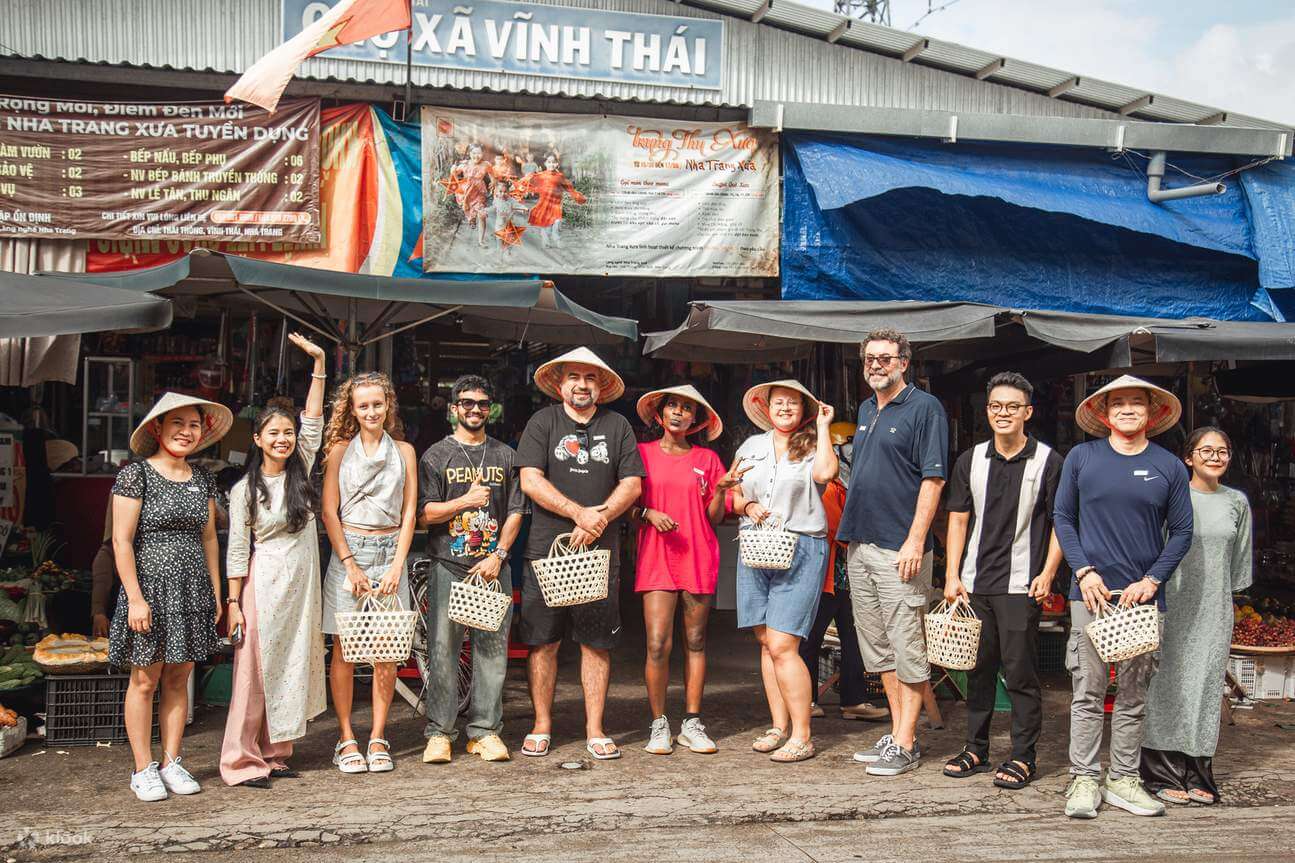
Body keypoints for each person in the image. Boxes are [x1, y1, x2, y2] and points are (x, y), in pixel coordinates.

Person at [1054, 374, 1193, 819]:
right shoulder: (1082, 457)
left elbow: (1183, 531)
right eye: (1119, 403)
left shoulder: (1169, 466)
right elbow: (1063, 517)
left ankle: (1124, 778)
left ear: (1151, 413)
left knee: (1133, 694)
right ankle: (1083, 779)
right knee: (1088, 691)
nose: (1128, 409)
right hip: (1090, 595)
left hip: (1144, 600)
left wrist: (1152, 580)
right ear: (1104, 412)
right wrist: (1084, 571)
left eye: (1137, 402)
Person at [515, 347, 645, 760]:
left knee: (596, 642)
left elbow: (632, 484)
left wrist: (598, 518)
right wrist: (576, 513)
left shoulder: (618, 425)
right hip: (547, 544)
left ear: (601, 386)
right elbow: (530, 479)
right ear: (560, 384)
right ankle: (541, 724)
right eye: (574, 377)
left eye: (590, 378)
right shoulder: (543, 422)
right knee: (543, 640)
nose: (582, 385)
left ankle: (595, 728)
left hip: (601, 546)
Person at [941, 372, 1064, 789]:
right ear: (987, 410)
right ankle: (975, 748)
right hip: (975, 582)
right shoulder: (970, 459)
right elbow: (957, 518)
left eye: (1013, 407)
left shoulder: (1048, 460)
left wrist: (1048, 573)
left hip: (1021, 585)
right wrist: (952, 574)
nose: (1003, 413)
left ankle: (1023, 757)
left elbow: (1060, 523)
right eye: (996, 406)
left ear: (1028, 412)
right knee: (977, 671)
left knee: (1020, 674)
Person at [109, 392, 233, 802]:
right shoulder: (135, 475)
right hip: (150, 589)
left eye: (194, 424)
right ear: (157, 428)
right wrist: (135, 598)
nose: (186, 431)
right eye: (177, 423)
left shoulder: (202, 478)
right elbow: (121, 542)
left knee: (180, 677)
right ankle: (142, 768)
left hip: (192, 588)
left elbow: (210, 537)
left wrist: (215, 591)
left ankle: (172, 761)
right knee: (145, 678)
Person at [838, 328, 948, 777]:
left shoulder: (925, 408)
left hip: (899, 548)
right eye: (870, 359)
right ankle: (897, 735)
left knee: (907, 646)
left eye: (886, 358)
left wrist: (916, 540)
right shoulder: (866, 409)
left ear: (904, 362)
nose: (877, 365)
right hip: (861, 543)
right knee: (879, 649)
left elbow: (933, 479)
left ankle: (906, 741)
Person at [220, 334, 328, 788]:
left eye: (287, 433)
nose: (283, 439)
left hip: (302, 586)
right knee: (253, 674)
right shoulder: (245, 489)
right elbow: (237, 549)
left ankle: (276, 751)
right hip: (262, 585)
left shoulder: (301, 466)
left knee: (290, 664)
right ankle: (240, 762)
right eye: (274, 434)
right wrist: (233, 602)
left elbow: (313, 421)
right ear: (259, 440)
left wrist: (320, 363)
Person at [728, 380, 838, 763]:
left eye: (793, 403)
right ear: (766, 406)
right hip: (756, 547)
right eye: (779, 402)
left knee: (783, 644)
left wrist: (824, 426)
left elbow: (826, 473)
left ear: (804, 409)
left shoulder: (811, 445)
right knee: (765, 641)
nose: (786, 408)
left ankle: (803, 734)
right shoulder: (750, 447)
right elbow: (734, 492)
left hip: (802, 547)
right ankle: (779, 726)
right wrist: (747, 508)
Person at [417, 375, 525, 764]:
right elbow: (426, 513)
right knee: (442, 650)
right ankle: (439, 733)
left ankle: (484, 732)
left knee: (493, 651)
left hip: (493, 566)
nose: (475, 409)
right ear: (454, 408)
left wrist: (499, 555)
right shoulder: (434, 456)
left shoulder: (507, 456)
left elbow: (516, 511)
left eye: (482, 403)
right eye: (467, 403)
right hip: (449, 564)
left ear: (491, 409)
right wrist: (464, 501)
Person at [1141, 427, 1252, 806]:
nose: (1215, 457)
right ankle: (1158, 771)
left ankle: (1199, 771)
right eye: (1206, 450)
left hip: (1214, 608)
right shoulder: (1173, 497)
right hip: (1169, 603)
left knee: (1205, 688)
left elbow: (1239, 566)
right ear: (1188, 458)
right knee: (1165, 684)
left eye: (1223, 451)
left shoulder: (1236, 502)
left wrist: (1223, 593)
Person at [320, 372, 419, 775]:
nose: (372, 411)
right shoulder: (340, 450)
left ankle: (378, 736)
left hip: (390, 550)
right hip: (351, 551)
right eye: (363, 405)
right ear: (352, 409)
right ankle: (346, 737)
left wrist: (398, 564)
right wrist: (349, 564)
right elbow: (329, 510)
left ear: (388, 405)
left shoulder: (406, 451)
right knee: (344, 650)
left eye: (378, 404)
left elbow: (410, 510)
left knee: (386, 651)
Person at [631, 384, 738, 755]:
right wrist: (647, 513)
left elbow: (714, 517)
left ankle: (691, 722)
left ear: (696, 420)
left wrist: (721, 490)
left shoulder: (708, 460)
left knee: (695, 641)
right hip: (656, 558)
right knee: (657, 643)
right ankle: (659, 724)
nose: (678, 412)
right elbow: (624, 506)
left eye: (687, 408)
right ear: (659, 416)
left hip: (699, 556)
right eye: (672, 406)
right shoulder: (640, 455)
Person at [799, 434, 886, 723]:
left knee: (854, 638)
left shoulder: (847, 486)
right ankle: (806, 699)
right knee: (810, 638)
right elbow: (836, 526)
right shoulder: (825, 487)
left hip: (848, 575)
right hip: (824, 574)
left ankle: (854, 700)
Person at [517, 152, 586, 249]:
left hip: (556, 205)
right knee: (545, 224)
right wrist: (518, 186)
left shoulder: (560, 176)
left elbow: (569, 188)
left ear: (557, 163)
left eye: (553, 162)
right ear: (545, 164)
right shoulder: (541, 175)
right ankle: (545, 240)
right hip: (544, 204)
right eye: (549, 162)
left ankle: (557, 239)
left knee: (557, 222)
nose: (551, 164)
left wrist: (577, 196)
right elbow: (528, 180)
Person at [449, 143, 494, 248]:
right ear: (469, 153)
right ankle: (471, 218)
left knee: (482, 215)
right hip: (466, 193)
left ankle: (481, 241)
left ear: (482, 154)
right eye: (474, 153)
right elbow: (454, 174)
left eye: (479, 153)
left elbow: (492, 174)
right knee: (468, 210)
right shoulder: (464, 164)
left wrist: (493, 182)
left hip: (479, 192)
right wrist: (453, 170)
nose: (476, 156)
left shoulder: (486, 164)